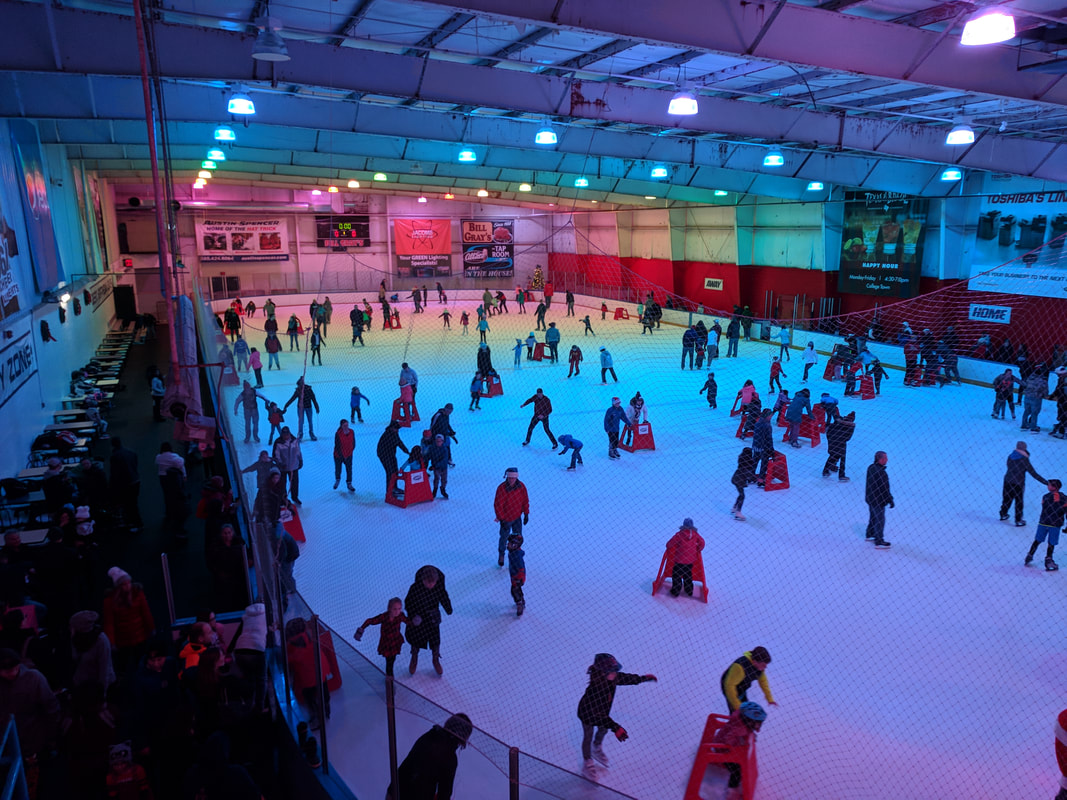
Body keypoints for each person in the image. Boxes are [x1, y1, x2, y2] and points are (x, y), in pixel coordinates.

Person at [576, 653, 657, 777]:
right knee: (588, 735)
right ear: (602, 672)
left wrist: (642, 678)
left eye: (615, 670)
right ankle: (587, 761)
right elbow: (598, 715)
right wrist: (616, 727)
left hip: (602, 713)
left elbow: (627, 678)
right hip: (587, 714)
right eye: (611, 671)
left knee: (603, 729)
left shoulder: (613, 678)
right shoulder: (596, 689)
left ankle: (596, 746)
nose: (615, 673)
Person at [385, 713, 473, 800]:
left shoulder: (430, 735)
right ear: (463, 737)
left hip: (395, 790)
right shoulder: (450, 757)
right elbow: (444, 793)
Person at [103, 566, 156, 674]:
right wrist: (111, 643)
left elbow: (146, 613)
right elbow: (109, 623)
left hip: (139, 637)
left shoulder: (137, 594)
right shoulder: (110, 601)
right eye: (124, 584)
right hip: (123, 640)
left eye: (128, 582)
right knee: (124, 668)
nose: (128, 586)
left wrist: (151, 628)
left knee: (141, 665)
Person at [404, 565, 452, 676]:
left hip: (432, 618)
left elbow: (444, 597)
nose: (430, 585)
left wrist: (448, 608)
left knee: (435, 639)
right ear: (423, 580)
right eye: (428, 582)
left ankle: (435, 659)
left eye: (433, 582)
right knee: (415, 638)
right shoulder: (415, 588)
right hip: (418, 616)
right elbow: (408, 603)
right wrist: (412, 615)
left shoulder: (438, 588)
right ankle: (414, 656)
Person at [714, 702, 767, 800]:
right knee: (737, 770)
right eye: (757, 723)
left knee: (739, 767)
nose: (758, 726)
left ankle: (735, 786)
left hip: (721, 743)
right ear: (749, 721)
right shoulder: (740, 729)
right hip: (722, 750)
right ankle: (731, 791)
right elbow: (728, 740)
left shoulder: (741, 722)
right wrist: (739, 744)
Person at [355, 597, 407, 677]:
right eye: (395, 609)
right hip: (386, 643)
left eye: (399, 609)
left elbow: (408, 621)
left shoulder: (400, 616)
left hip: (395, 642)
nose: (397, 611)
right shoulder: (384, 617)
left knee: (392, 660)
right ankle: (389, 678)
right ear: (389, 608)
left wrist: (416, 621)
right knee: (389, 662)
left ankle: (389, 677)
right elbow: (370, 621)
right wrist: (360, 630)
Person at [999, 440, 1046, 526]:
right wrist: (1045, 482)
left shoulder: (1010, 456)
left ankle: (1003, 514)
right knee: (1019, 501)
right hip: (1018, 483)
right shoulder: (1024, 460)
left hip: (1007, 481)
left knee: (1007, 499)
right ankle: (1018, 520)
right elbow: (1033, 473)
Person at [1025, 480, 1067, 570]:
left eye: (1049, 485)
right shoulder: (1064, 498)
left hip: (1043, 522)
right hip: (1055, 524)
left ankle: (1030, 555)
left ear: (1054, 487)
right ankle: (1048, 560)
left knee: (1037, 540)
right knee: (1051, 543)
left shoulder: (1045, 497)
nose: (1048, 486)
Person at [721, 646, 776, 713]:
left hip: (742, 687)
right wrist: (737, 706)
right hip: (729, 687)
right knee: (737, 714)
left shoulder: (759, 669)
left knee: (746, 712)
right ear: (755, 661)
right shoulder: (740, 667)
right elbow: (729, 686)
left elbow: (763, 682)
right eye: (763, 664)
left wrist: (770, 699)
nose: (765, 667)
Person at [493, 468, 529, 567]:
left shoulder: (521, 487)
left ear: (516, 477)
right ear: (507, 477)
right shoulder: (502, 488)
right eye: (510, 478)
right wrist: (501, 518)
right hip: (506, 519)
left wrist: (526, 513)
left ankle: (515, 556)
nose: (511, 480)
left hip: (517, 517)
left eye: (513, 478)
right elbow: (498, 504)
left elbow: (525, 500)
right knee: (504, 538)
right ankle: (501, 554)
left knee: (517, 538)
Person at [666, 518, 704, 597]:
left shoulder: (680, 534)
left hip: (679, 560)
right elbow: (702, 542)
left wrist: (668, 546)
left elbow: (670, 542)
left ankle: (676, 591)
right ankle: (689, 590)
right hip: (690, 561)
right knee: (688, 575)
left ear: (683, 525)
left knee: (676, 575)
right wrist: (698, 549)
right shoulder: (695, 534)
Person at [865, 451, 894, 547]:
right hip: (879, 500)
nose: (887, 460)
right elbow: (885, 489)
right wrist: (890, 500)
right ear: (880, 459)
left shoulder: (871, 468)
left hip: (870, 499)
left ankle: (870, 534)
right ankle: (879, 540)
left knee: (873, 517)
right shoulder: (881, 473)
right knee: (880, 520)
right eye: (885, 458)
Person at [376, 420, 409, 495]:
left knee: (395, 471)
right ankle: (389, 490)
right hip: (384, 455)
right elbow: (397, 442)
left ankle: (395, 487)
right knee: (390, 472)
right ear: (391, 428)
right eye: (396, 428)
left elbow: (399, 442)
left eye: (398, 429)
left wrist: (406, 451)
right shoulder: (387, 435)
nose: (397, 430)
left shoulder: (395, 433)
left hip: (391, 454)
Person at [272, 426, 303, 505]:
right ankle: (283, 499)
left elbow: (298, 451)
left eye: (287, 434)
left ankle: (295, 497)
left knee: (295, 483)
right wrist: (280, 464)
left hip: (293, 467)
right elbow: (276, 455)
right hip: (283, 468)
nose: (286, 436)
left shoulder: (294, 441)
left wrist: (300, 460)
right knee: (282, 484)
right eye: (284, 434)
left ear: (289, 433)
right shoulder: (278, 442)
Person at [823, 411, 856, 482]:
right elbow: (848, 438)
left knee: (832, 456)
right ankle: (841, 475)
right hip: (841, 445)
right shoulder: (850, 426)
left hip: (832, 443)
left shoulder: (836, 422)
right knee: (842, 459)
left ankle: (826, 471)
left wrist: (830, 440)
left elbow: (828, 431)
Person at [731, 447, 755, 521]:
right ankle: (738, 512)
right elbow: (748, 474)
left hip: (736, 477)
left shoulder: (741, 459)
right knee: (742, 495)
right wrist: (756, 479)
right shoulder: (749, 463)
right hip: (740, 480)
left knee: (740, 494)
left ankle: (735, 507)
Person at [1022, 367, 1049, 432]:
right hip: (1036, 397)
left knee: (1026, 411)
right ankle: (1033, 426)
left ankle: (1024, 424)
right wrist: (1045, 395)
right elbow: (1045, 390)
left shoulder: (1029, 378)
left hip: (1027, 396)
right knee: (1034, 413)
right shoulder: (1042, 380)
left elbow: (1025, 385)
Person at [506, 533, 526, 617]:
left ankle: (519, 604)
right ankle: (522, 600)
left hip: (517, 577)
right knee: (518, 589)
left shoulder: (516, 556)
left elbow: (521, 568)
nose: (508, 545)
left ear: (515, 545)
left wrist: (518, 578)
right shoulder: (513, 553)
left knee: (514, 591)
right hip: (515, 575)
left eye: (510, 543)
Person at [333, 419, 355, 493]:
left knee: (349, 470)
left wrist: (349, 453)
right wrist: (342, 456)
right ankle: (337, 480)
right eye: (344, 425)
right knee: (338, 469)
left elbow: (353, 444)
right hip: (338, 456)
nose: (346, 427)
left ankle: (349, 483)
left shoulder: (352, 432)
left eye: (347, 425)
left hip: (348, 455)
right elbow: (337, 447)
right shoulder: (338, 434)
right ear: (341, 426)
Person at [426, 434, 451, 499]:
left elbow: (444, 460)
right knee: (436, 479)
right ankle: (435, 490)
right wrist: (424, 460)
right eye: (437, 441)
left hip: (443, 467)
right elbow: (429, 456)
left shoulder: (445, 449)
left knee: (444, 479)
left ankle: (443, 489)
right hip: (436, 467)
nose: (438, 442)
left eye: (440, 441)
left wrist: (435, 466)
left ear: (442, 441)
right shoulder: (432, 448)